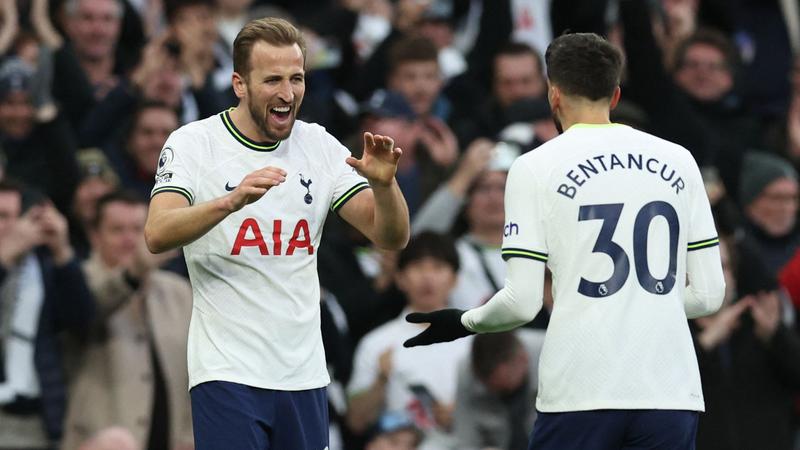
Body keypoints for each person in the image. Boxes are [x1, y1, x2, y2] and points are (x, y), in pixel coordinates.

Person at [403, 32, 726, 449]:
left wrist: (464, 322)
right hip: (671, 391)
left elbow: (522, 303)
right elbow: (710, 294)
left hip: (582, 388)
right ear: (615, 95)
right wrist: (642, 305)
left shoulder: (535, 166)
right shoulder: (680, 160)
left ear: (554, 94)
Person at [144, 17, 410, 450]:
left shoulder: (318, 145)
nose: (288, 94)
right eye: (272, 80)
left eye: (296, 78)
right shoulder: (194, 143)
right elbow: (157, 232)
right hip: (227, 373)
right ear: (239, 84)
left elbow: (391, 236)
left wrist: (384, 186)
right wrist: (229, 202)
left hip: (304, 374)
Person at [62, 191, 194, 450]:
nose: (130, 240)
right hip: (99, 441)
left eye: (137, 229)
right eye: (117, 230)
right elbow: (85, 314)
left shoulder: (179, 292)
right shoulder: (77, 281)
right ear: (95, 236)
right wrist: (133, 273)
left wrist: (192, 434)